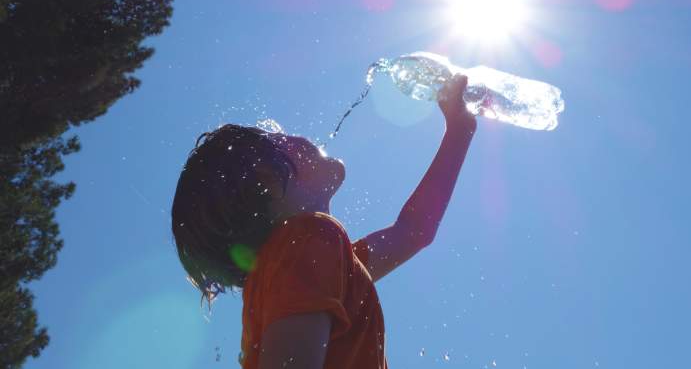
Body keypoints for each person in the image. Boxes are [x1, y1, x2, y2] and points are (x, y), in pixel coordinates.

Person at [171, 73, 477, 368]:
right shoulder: (306, 242)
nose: (293, 136)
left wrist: (460, 129)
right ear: (266, 182)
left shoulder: (313, 264)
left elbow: (413, 232)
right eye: (277, 139)